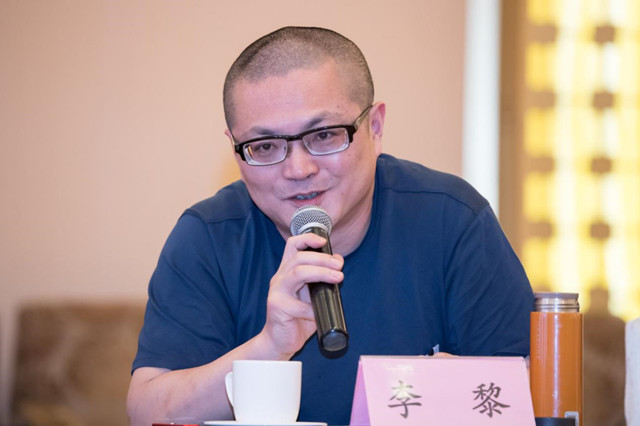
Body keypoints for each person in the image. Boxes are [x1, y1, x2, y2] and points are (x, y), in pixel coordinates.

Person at [127, 26, 534, 426]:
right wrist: (269, 347)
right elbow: (147, 411)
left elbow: (534, 391)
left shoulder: (451, 219)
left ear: (375, 128)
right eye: (265, 146)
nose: (298, 169)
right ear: (237, 151)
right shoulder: (209, 237)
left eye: (323, 135)